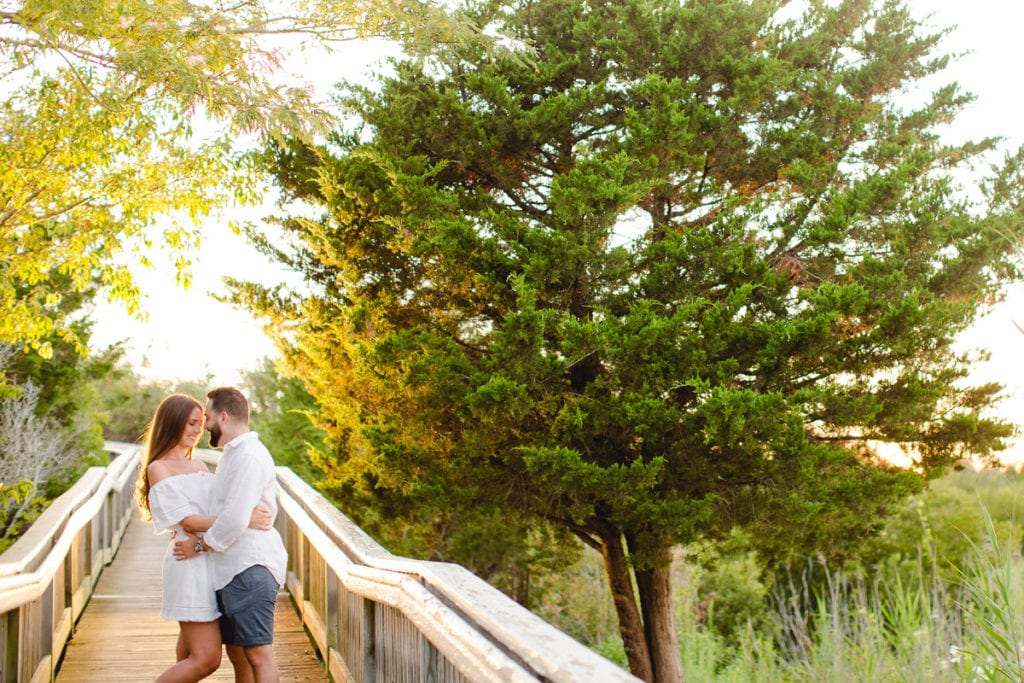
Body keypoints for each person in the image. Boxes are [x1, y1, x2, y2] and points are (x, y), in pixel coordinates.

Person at [135, 393, 272, 683]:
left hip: (212, 561)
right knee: (206, 659)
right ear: (172, 424)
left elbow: (222, 504)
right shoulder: (158, 468)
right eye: (192, 424)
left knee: (189, 655)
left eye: (200, 423)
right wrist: (243, 518)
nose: (199, 430)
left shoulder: (198, 465)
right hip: (188, 562)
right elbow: (187, 520)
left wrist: (244, 511)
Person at [173, 387, 288, 683]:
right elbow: (229, 512)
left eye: (208, 417)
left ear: (223, 417)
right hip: (230, 569)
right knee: (240, 656)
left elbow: (234, 519)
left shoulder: (248, 456)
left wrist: (199, 545)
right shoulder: (231, 455)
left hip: (250, 568)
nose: (204, 427)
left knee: (257, 655)